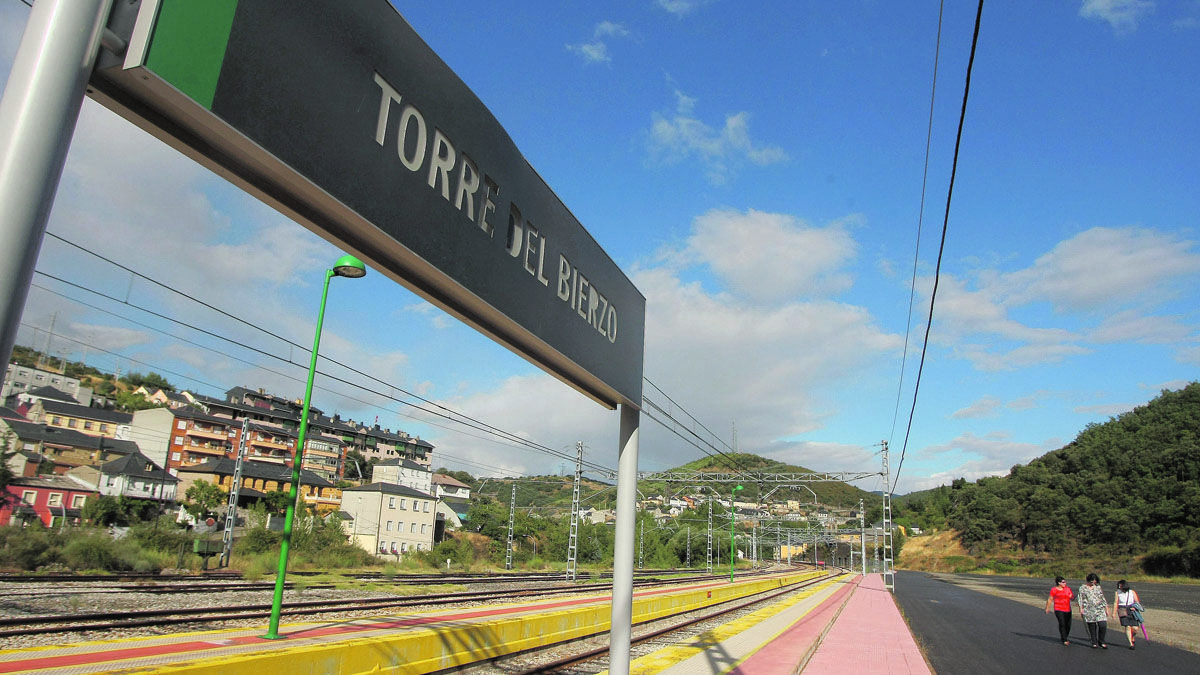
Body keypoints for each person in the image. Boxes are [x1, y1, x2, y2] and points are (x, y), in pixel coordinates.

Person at [1077, 573, 1107, 648]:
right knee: (1092, 626)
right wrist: (1081, 609)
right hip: (1088, 609)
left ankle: (1101, 641)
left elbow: (1102, 597)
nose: (1093, 583)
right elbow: (1080, 598)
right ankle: (1094, 641)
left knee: (1102, 625)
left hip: (1099, 608)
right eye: (1091, 582)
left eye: (1094, 581)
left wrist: (1106, 608)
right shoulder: (1082, 588)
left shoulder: (1098, 587)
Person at [1112, 579, 1142, 650]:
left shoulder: (1132, 592)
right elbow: (1116, 602)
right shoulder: (1117, 593)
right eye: (1119, 585)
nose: (1119, 587)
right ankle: (1131, 644)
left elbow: (1137, 601)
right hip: (1122, 609)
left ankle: (1132, 637)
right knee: (1127, 626)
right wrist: (1114, 613)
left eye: (1121, 585)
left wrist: (1135, 608)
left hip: (1131, 609)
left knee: (1135, 628)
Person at [1044, 575, 1074, 645]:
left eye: (1065, 582)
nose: (1065, 583)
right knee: (1062, 623)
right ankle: (1064, 639)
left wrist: (1072, 597)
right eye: (1063, 582)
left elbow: (1072, 597)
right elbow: (1050, 599)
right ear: (1059, 583)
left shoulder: (1067, 589)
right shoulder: (1054, 590)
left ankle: (1065, 636)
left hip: (1068, 609)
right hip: (1058, 608)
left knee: (1068, 625)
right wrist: (1047, 608)